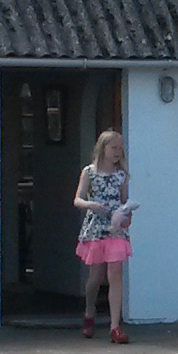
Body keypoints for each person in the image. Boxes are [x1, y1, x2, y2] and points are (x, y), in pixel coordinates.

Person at [73, 130, 134, 342]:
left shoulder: (121, 175)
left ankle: (115, 326)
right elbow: (78, 199)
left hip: (115, 228)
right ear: (103, 148)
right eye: (114, 148)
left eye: (120, 148)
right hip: (96, 227)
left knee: (115, 272)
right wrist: (91, 205)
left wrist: (126, 217)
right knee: (95, 277)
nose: (118, 152)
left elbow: (125, 202)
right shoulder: (89, 173)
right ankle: (89, 312)